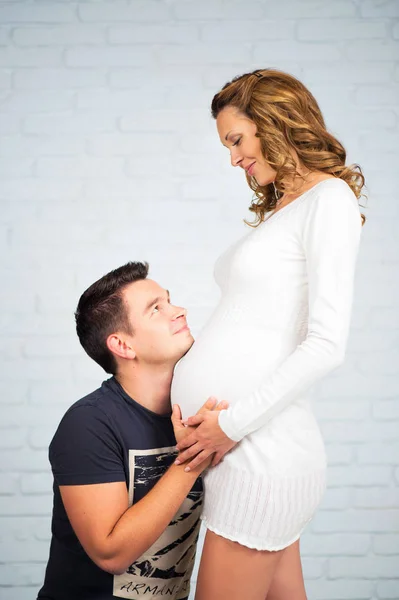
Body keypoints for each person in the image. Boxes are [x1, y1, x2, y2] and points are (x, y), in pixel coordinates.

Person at [171, 69, 365, 599]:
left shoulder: (329, 201)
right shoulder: (288, 207)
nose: (233, 158)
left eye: (237, 140)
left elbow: (326, 344)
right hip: (246, 452)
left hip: (260, 452)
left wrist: (228, 425)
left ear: (275, 123)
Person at [37, 261, 226, 600]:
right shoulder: (88, 425)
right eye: (156, 309)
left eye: (169, 300)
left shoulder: (198, 412)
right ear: (123, 346)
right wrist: (191, 459)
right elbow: (112, 553)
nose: (179, 310)